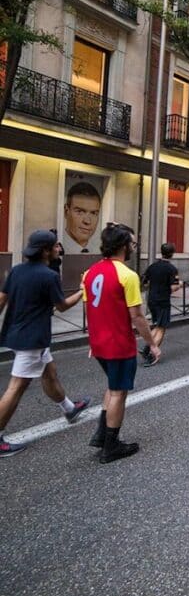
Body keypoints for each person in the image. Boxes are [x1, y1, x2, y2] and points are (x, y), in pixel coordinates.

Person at [0, 230, 90, 457]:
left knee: (50, 373)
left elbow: (2, 299)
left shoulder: (17, 270)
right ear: (45, 251)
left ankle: (69, 409)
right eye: (55, 246)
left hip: (16, 333)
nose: (59, 249)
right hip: (33, 339)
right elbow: (62, 306)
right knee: (16, 386)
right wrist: (82, 291)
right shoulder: (49, 276)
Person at [83, 223, 160, 464]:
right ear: (124, 246)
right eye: (133, 243)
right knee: (118, 392)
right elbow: (137, 316)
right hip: (118, 343)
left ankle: (101, 434)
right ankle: (111, 445)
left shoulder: (90, 272)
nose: (134, 247)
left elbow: (90, 308)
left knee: (112, 385)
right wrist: (152, 344)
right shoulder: (127, 275)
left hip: (98, 342)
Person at [141, 242, 181, 366]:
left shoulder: (152, 266)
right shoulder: (171, 269)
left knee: (157, 325)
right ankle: (151, 353)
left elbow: (144, 282)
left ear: (161, 252)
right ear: (172, 254)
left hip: (151, 300)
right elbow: (173, 287)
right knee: (162, 327)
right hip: (163, 300)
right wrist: (180, 285)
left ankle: (147, 347)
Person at [62, 181, 101, 254]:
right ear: (66, 211)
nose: (87, 221)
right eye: (80, 211)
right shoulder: (55, 248)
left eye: (93, 213)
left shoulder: (100, 251)